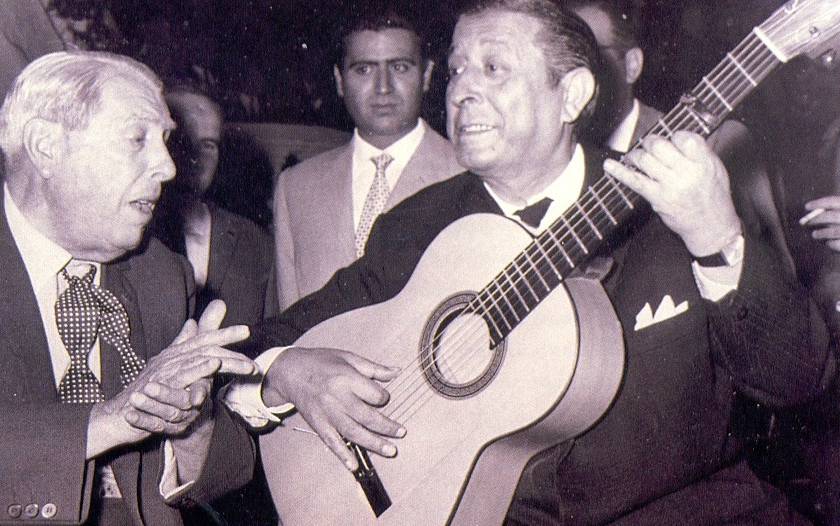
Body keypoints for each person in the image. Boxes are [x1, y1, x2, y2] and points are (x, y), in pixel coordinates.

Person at [229, 1, 830, 523]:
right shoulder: (416, 227)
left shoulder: (676, 204)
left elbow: (796, 379)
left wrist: (718, 238)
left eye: (494, 68)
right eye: (459, 69)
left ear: (571, 94)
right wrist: (287, 371)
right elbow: (263, 342)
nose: (462, 90)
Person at [0, 51, 258, 525]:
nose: (168, 168)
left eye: (164, 142)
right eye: (137, 139)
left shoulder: (161, 274)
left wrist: (188, 424)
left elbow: (231, 471)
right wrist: (107, 422)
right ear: (46, 146)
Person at [564, 0, 795, 274]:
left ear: (632, 65)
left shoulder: (716, 146)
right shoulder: (559, 160)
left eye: (593, 57)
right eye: (564, 64)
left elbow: (775, 278)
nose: (575, 78)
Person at [271, 7, 463, 311]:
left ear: (426, 75)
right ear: (339, 80)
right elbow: (288, 325)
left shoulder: (467, 174)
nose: (383, 87)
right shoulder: (295, 188)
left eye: (399, 67)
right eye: (364, 69)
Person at [155, 75, 272, 326]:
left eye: (208, 145)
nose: (195, 157)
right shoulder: (124, 240)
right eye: (179, 141)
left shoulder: (254, 243)